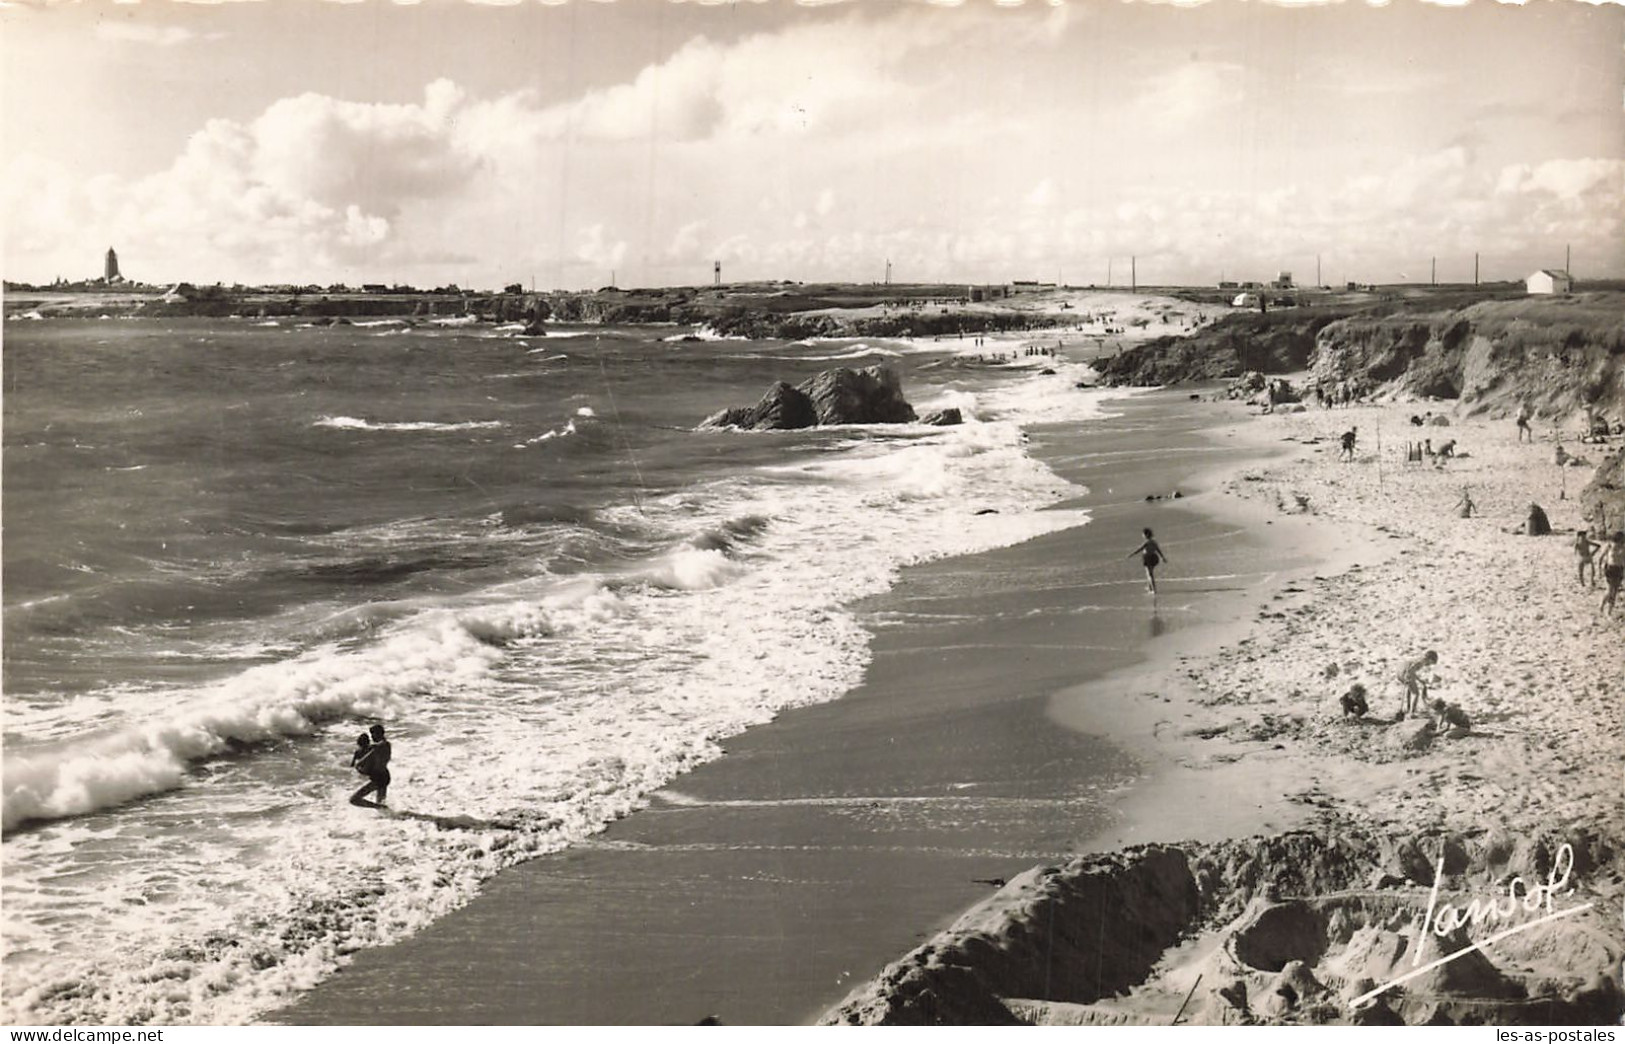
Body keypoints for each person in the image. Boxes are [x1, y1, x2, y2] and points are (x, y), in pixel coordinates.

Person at [350, 723, 392, 807]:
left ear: (378, 734)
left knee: (354, 800)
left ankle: (381, 808)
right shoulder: (383, 746)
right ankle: (386, 813)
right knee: (380, 803)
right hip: (384, 775)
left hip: (379, 778)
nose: (372, 737)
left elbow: (359, 764)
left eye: (372, 734)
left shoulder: (380, 746)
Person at [1128, 527, 1169, 594]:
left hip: (1148, 558)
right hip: (1154, 557)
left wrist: (1131, 554)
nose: (1142, 536)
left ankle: (1153, 590)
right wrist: (1162, 557)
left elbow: (1139, 549)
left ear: (1146, 535)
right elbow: (1158, 550)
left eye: (1143, 534)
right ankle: (1150, 587)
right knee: (1149, 573)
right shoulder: (1154, 542)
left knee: (1150, 574)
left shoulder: (1146, 543)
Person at [1398, 650, 1438, 719]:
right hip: (1405, 673)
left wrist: (1419, 680)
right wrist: (1410, 678)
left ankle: (1408, 709)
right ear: (1430, 659)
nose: (1429, 665)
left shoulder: (1418, 658)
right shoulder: (1422, 661)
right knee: (1416, 693)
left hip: (1400, 672)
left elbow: (1411, 670)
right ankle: (1412, 713)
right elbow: (1411, 670)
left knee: (1410, 690)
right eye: (1431, 663)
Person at [1600, 532, 1625, 616]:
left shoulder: (1623, 548)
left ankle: (1609, 612)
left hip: (1619, 570)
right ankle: (1602, 606)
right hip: (1610, 569)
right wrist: (1600, 570)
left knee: (1615, 591)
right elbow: (1601, 558)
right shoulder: (1609, 546)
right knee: (1610, 590)